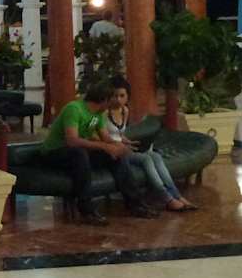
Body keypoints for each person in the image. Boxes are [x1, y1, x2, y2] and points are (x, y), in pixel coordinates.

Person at [38, 79, 157, 225]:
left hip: (78, 151)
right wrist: (105, 147)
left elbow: (105, 138)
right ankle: (87, 210)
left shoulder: (99, 114)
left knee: (115, 157)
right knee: (80, 154)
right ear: (104, 100)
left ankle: (135, 203)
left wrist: (119, 146)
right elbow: (72, 141)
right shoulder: (74, 109)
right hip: (54, 152)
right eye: (112, 98)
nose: (114, 102)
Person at [105, 77, 198, 212]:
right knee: (146, 159)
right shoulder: (104, 113)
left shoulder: (125, 111)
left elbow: (119, 134)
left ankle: (177, 196)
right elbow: (104, 136)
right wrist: (120, 145)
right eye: (115, 96)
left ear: (127, 96)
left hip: (125, 147)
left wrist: (128, 141)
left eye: (122, 96)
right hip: (115, 151)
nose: (118, 99)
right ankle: (167, 198)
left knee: (155, 156)